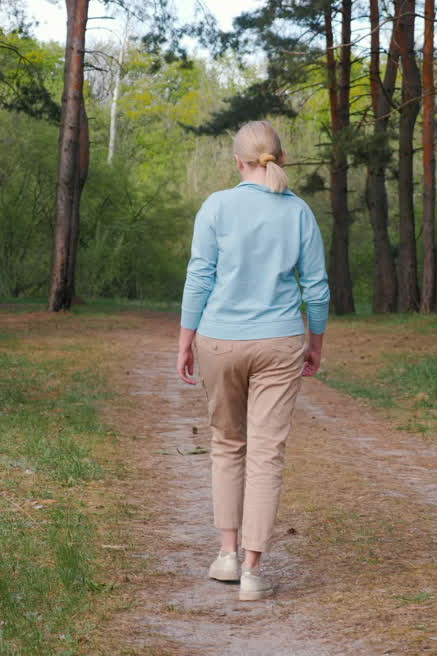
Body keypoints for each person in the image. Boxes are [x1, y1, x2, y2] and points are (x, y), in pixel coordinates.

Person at [176, 120, 330, 602]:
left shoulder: (216, 206)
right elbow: (317, 288)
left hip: (219, 340)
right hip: (279, 341)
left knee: (227, 444)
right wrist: (316, 342)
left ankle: (226, 554)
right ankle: (253, 571)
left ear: (237, 160)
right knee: (267, 453)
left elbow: (199, 277)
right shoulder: (299, 211)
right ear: (279, 158)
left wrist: (186, 339)